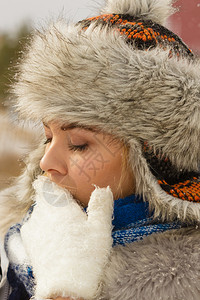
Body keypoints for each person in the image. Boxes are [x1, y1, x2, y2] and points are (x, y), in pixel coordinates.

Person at [1, 0, 200, 299]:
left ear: (154, 158)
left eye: (79, 144)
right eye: (47, 136)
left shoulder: (183, 284)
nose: (46, 162)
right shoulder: (23, 245)